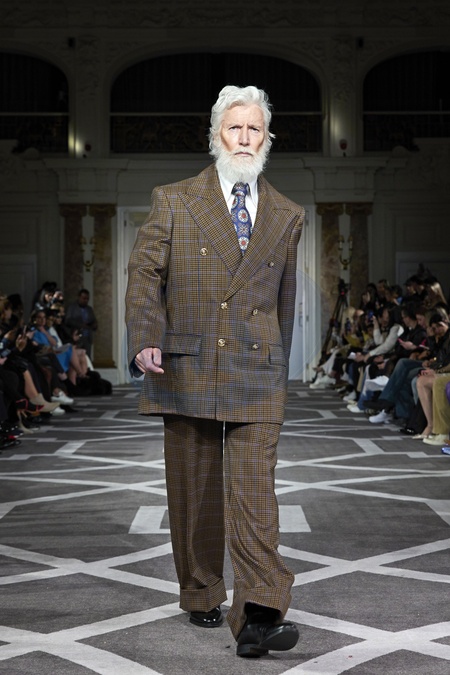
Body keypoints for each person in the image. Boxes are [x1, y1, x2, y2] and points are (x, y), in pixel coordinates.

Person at [125, 85, 304, 658]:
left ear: (267, 139)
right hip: (189, 364)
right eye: (235, 128)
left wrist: (277, 366)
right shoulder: (175, 199)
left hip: (255, 370)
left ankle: (259, 614)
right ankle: (201, 591)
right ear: (216, 136)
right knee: (195, 492)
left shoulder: (287, 214)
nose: (245, 138)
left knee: (256, 496)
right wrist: (145, 336)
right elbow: (145, 273)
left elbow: (284, 303)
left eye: (255, 129)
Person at [65, 289, 98, 358]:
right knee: (77, 358)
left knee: (87, 358)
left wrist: (94, 325)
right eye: (84, 298)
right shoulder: (72, 307)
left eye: (87, 299)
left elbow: (94, 320)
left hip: (87, 338)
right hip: (76, 337)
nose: (86, 300)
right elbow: (68, 320)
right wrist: (80, 325)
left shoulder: (89, 309)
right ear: (79, 297)